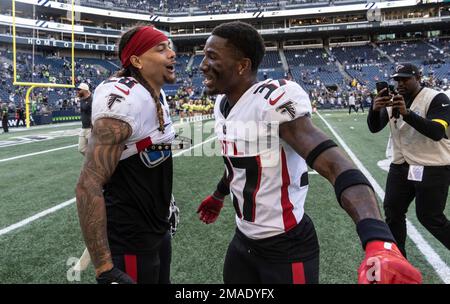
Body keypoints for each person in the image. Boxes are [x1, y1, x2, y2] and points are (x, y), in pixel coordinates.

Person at [197, 21, 421, 284]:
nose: (202, 65)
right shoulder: (223, 104)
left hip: (286, 246)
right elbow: (240, 162)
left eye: (211, 56)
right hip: (243, 240)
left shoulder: (272, 102)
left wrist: (377, 237)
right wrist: (219, 194)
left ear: (242, 65)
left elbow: (335, 165)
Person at [75, 25, 177, 284]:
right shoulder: (123, 98)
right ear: (136, 60)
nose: (172, 53)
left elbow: (144, 156)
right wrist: (104, 268)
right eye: (161, 48)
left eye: (170, 46)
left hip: (155, 227)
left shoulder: (156, 92)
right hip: (130, 239)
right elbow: (89, 185)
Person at [367, 63, 450, 257]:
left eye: (405, 78)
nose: (400, 83)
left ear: (418, 78)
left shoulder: (437, 98)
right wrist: (374, 109)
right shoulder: (394, 99)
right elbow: (374, 127)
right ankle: (399, 259)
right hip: (401, 165)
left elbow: (437, 132)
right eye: (397, 79)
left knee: (430, 217)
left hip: (432, 166)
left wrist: (407, 114)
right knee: (392, 212)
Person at [76, 83, 93, 155]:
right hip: (84, 127)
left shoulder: (92, 99)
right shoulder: (82, 99)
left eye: (79, 90)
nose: (78, 91)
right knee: (81, 149)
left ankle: (93, 162)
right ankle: (92, 160)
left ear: (85, 90)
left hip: (91, 128)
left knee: (92, 148)